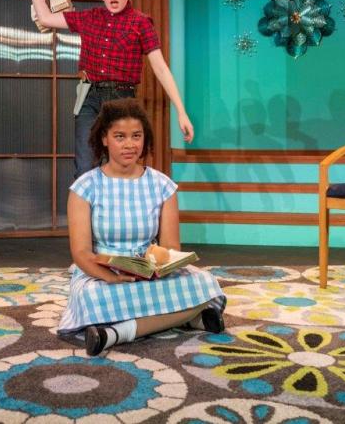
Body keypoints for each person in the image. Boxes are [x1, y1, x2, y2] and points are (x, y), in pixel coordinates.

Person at [59, 98, 225, 356]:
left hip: (150, 271)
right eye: (120, 136)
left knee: (205, 283)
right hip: (101, 271)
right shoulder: (84, 187)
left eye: (136, 136)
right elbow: (81, 253)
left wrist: (154, 269)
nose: (129, 144)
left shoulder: (163, 186)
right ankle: (189, 318)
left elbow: (170, 248)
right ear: (104, 139)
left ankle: (114, 333)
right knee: (91, 297)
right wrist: (111, 277)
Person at [24, 0, 194, 178]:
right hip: (89, 96)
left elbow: (160, 67)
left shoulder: (141, 23)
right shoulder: (90, 17)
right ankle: (86, 212)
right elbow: (46, 18)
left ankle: (116, 211)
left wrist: (181, 111)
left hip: (121, 99)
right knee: (85, 167)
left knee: (120, 165)